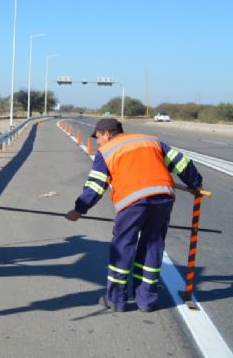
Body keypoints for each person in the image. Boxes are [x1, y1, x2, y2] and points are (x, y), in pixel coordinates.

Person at [66, 118, 203, 312]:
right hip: (162, 198)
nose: (98, 141)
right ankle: (146, 300)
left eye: (98, 137)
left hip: (132, 202)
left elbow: (96, 185)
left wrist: (79, 209)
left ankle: (117, 300)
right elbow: (182, 163)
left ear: (107, 133)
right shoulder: (151, 140)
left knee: (123, 247)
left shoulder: (107, 151)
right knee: (152, 245)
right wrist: (195, 183)